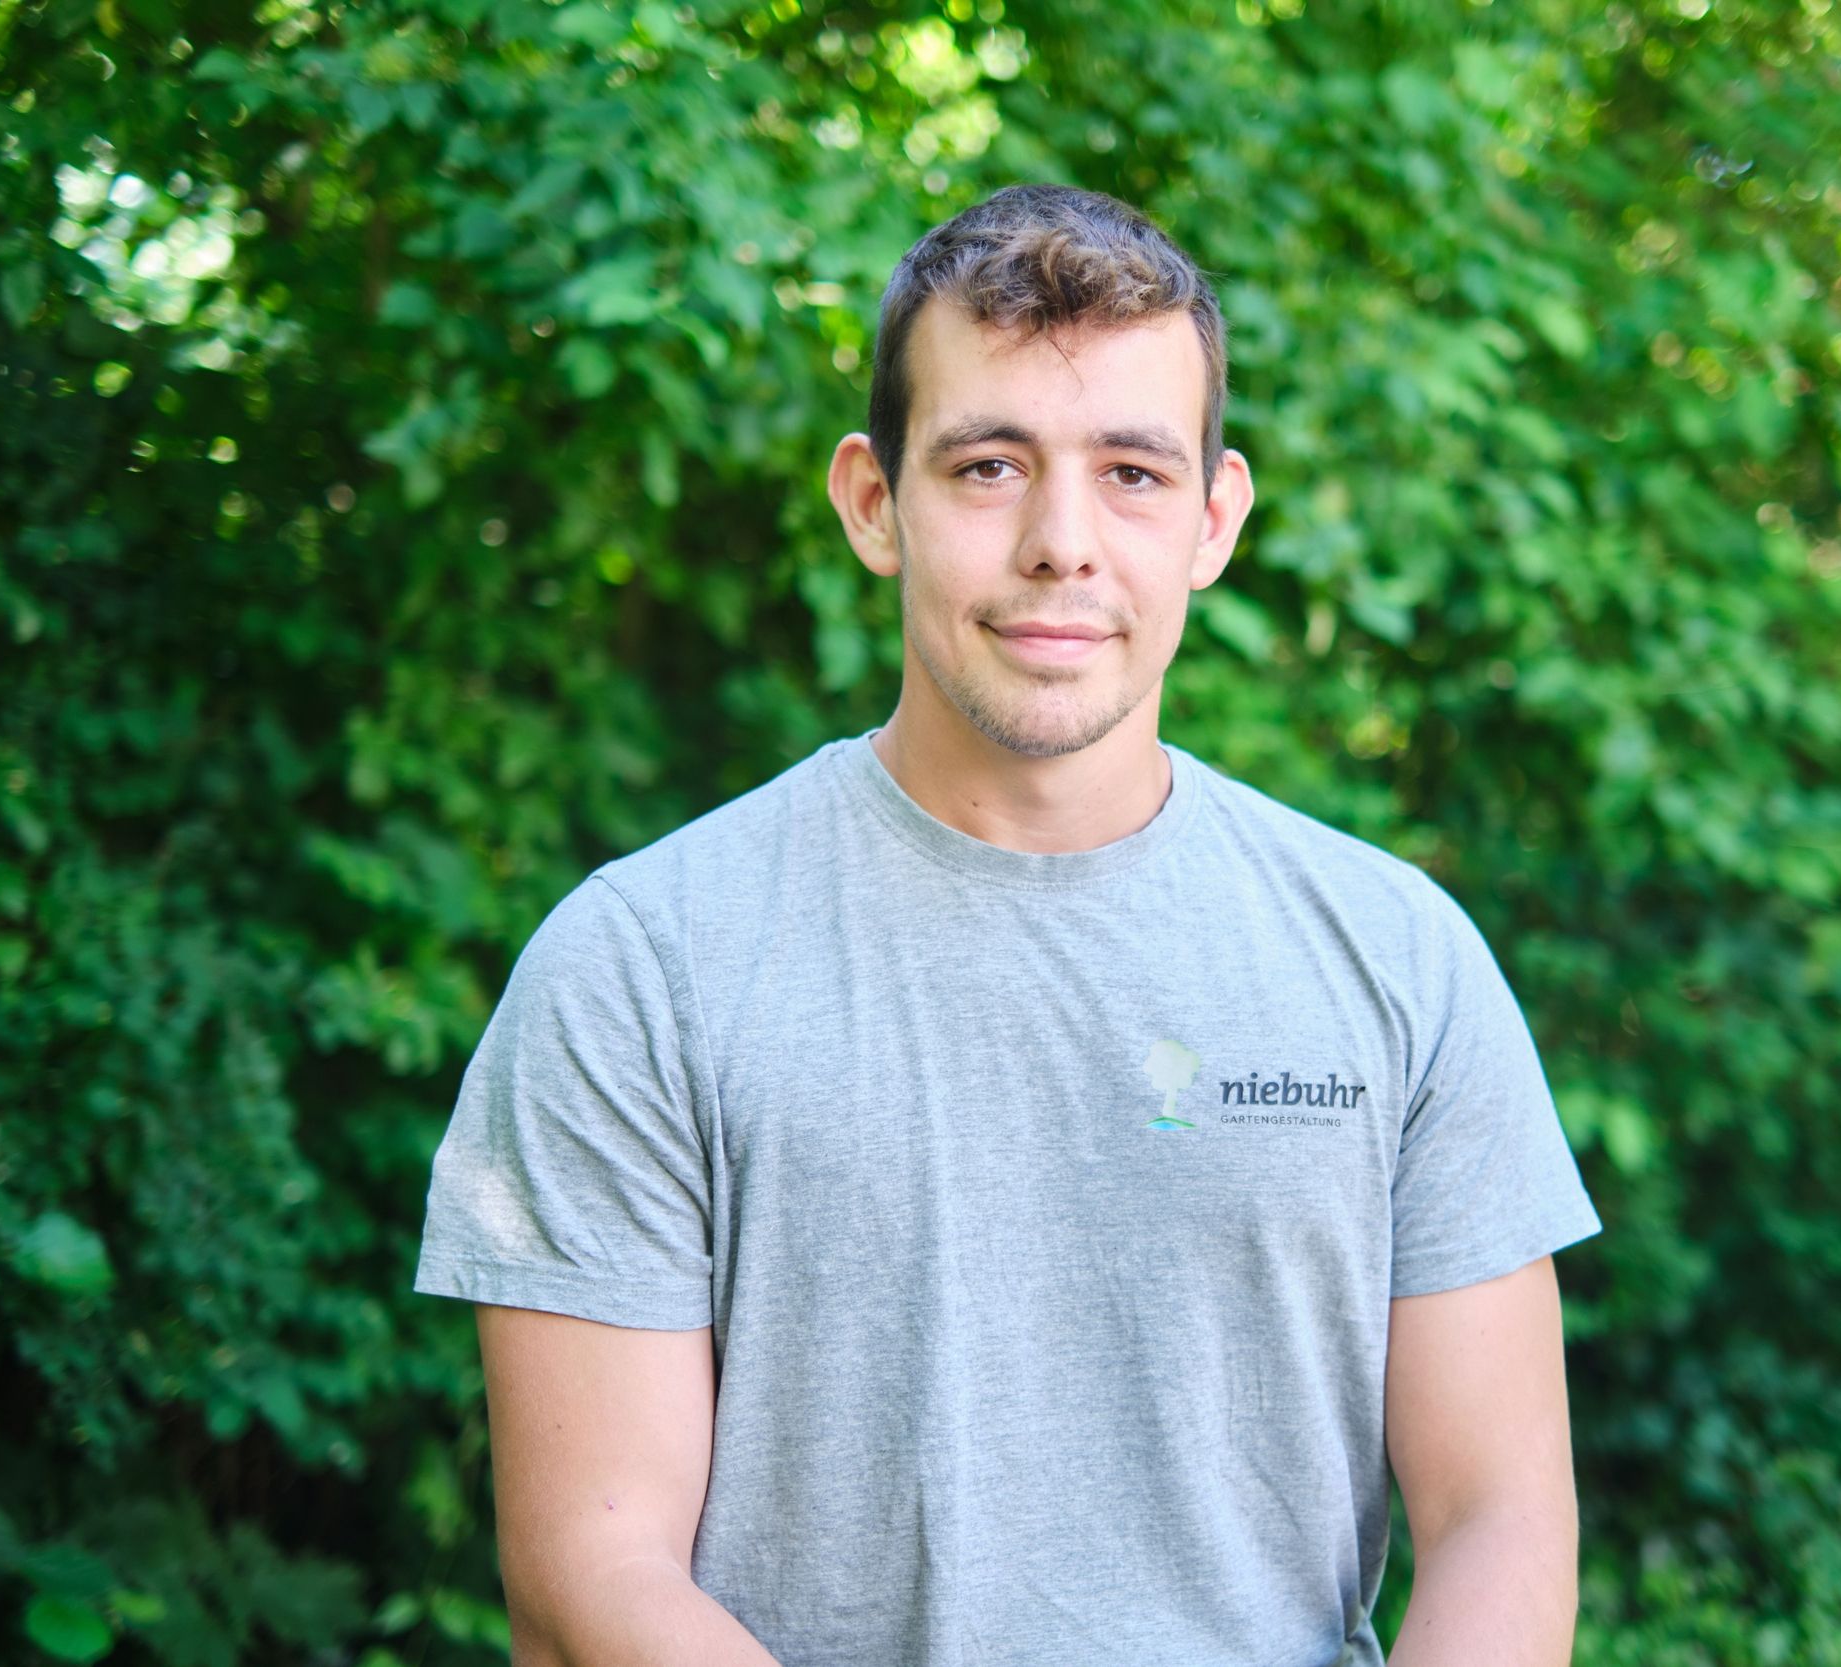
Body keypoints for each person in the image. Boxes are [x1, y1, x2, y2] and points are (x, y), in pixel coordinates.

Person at [413, 182, 1603, 1667]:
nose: (1061, 542)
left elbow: (1501, 1521)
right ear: (873, 501)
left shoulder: (1399, 960)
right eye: (988, 466)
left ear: (1215, 519)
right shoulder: (643, 966)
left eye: (1133, 473)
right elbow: (591, 1571)